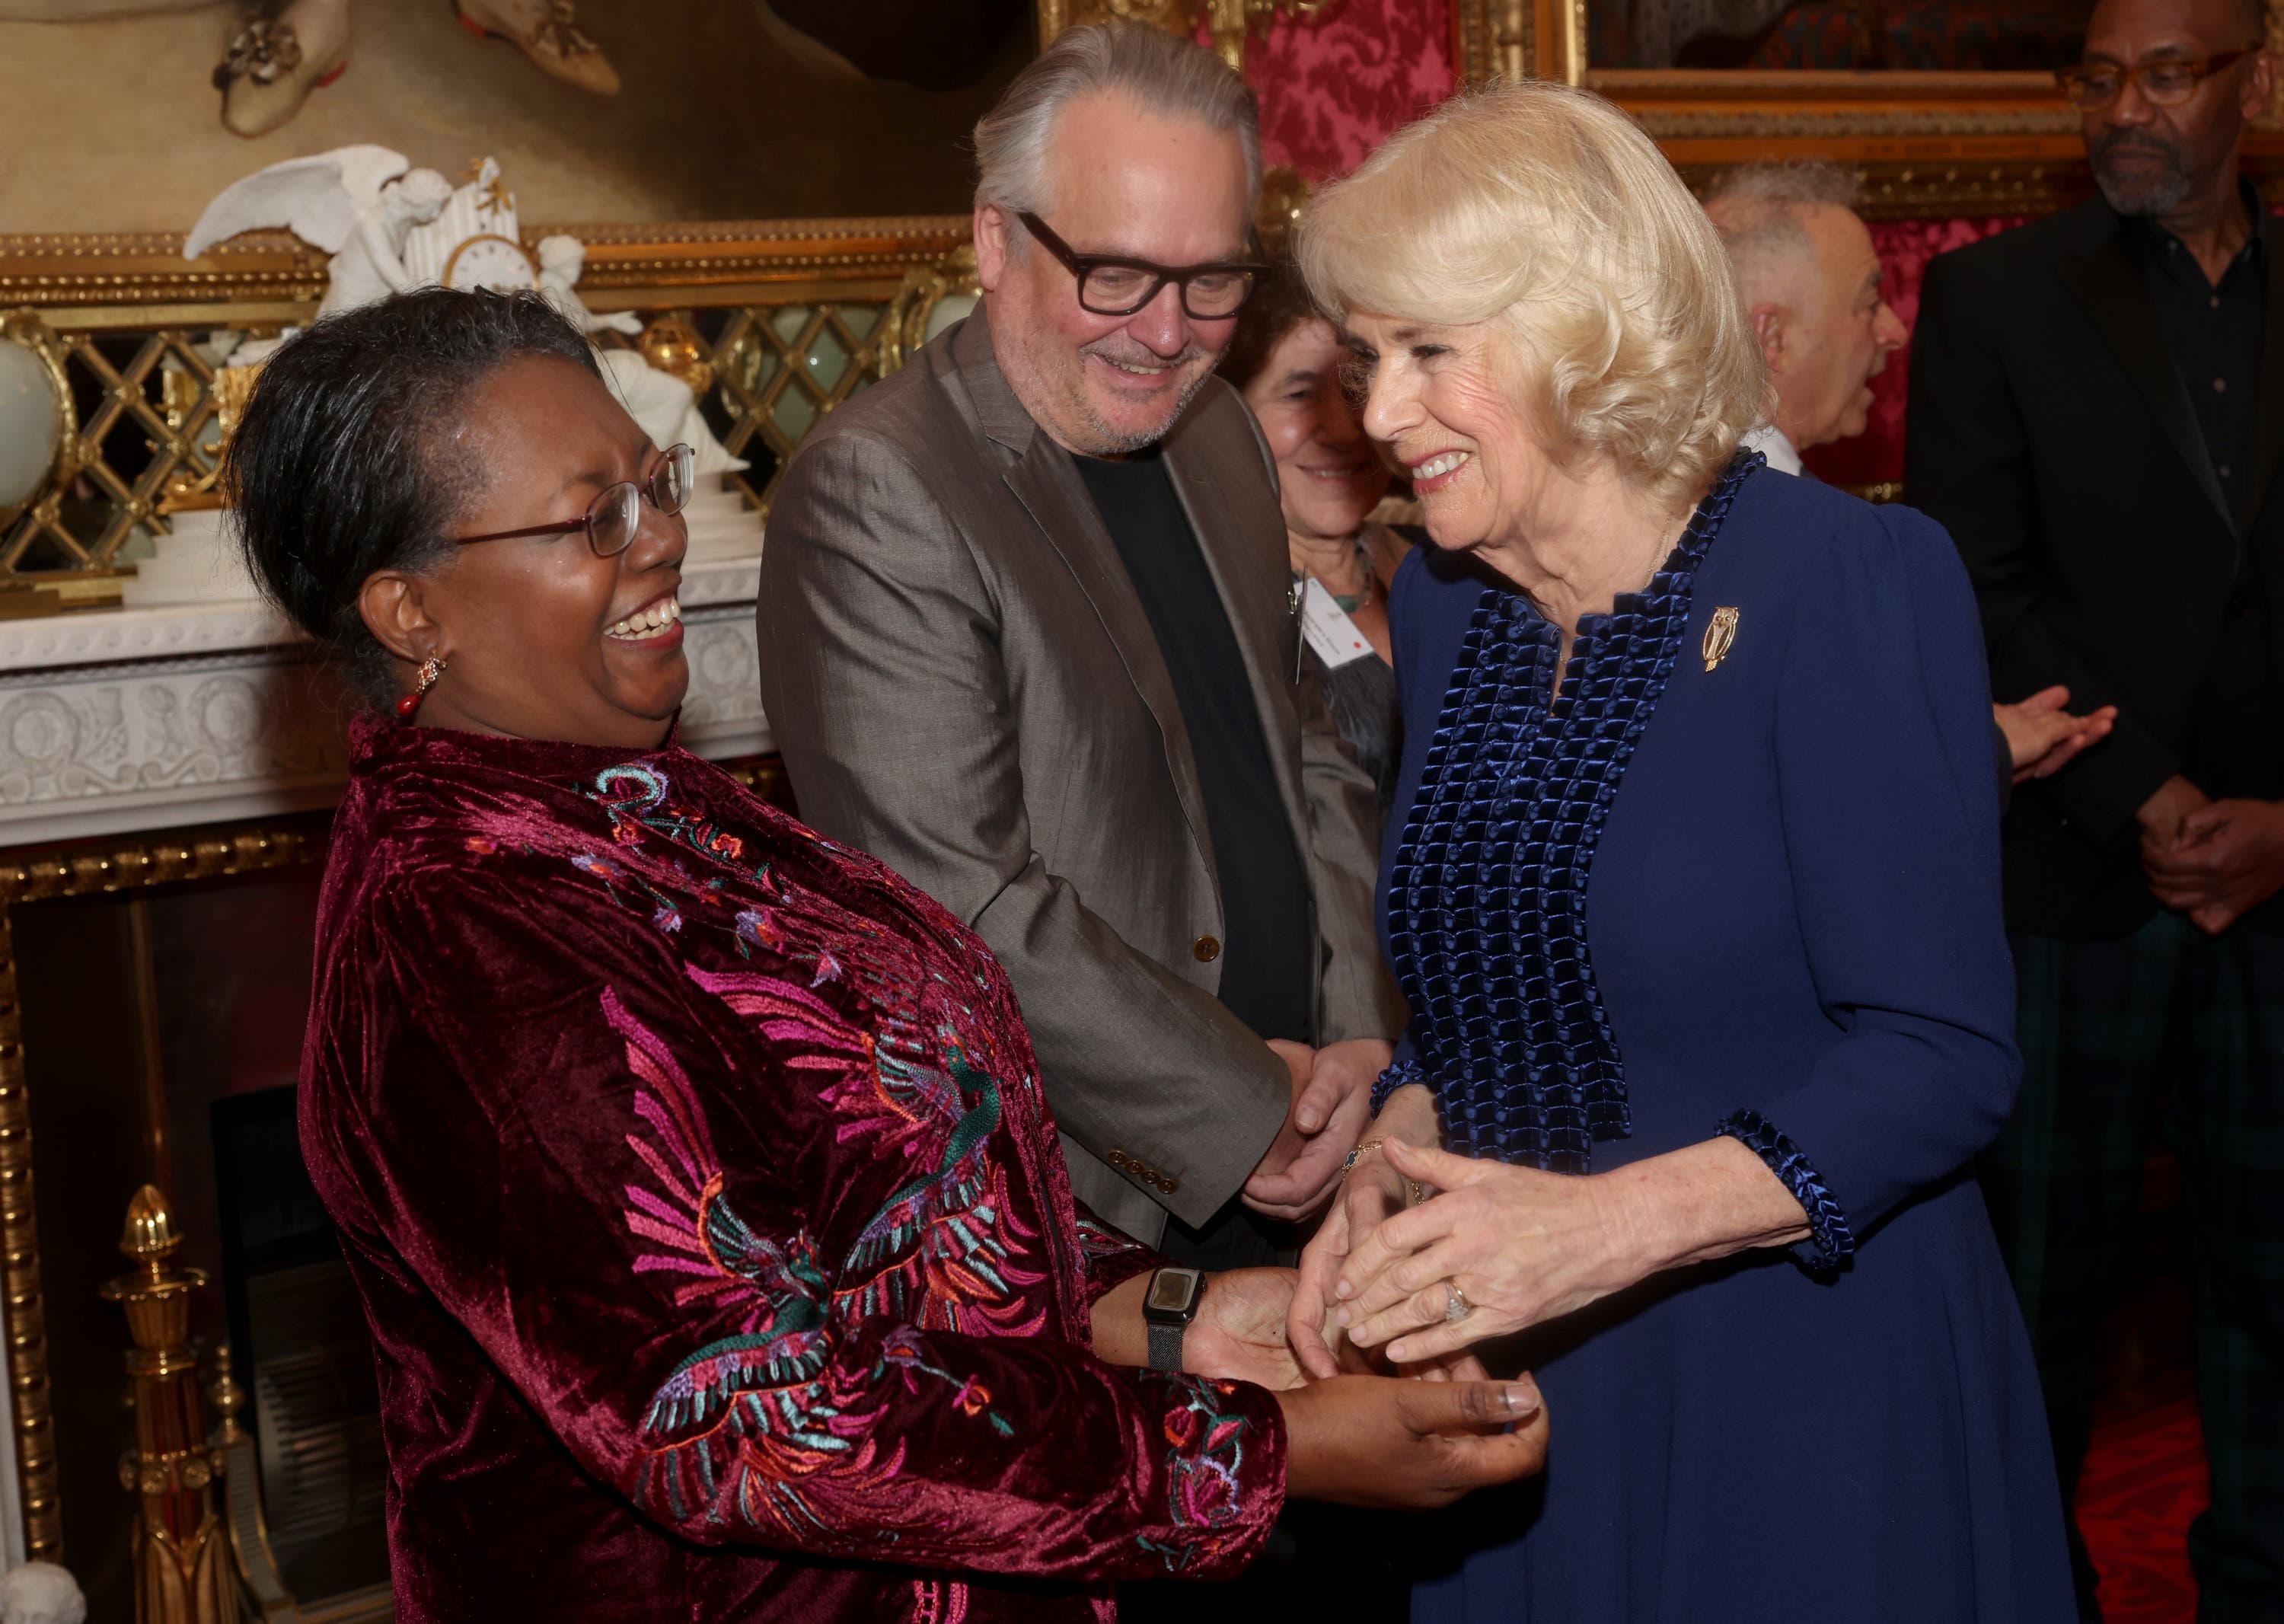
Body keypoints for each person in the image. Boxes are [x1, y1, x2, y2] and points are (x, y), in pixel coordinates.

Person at [223, 286, 1545, 1620]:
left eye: (655, 483)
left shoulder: (651, 804)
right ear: (408, 610)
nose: (665, 541)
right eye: (596, 518)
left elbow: (893, 1212)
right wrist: (1266, 1451)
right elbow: (747, 1410)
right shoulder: (457, 940)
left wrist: (1182, 1317)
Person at [1284, 81, 2074, 1620]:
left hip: (1802, 1387)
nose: (1379, 415)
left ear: (1584, 326)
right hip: (1522, 1387)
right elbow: (1477, 991)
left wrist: (1596, 1231)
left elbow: (1944, 1052)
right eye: (1371, 358)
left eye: (1429, 352)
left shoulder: (1848, 579)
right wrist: (1389, 1157)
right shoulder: (1450, 601)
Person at [757, 23, 1406, 1268]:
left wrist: (1359, 1026)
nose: (1166, 333)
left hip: (1312, 1124)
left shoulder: (1217, 430)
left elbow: (1306, 742)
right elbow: (958, 902)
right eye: (1114, 274)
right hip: (1092, 1211)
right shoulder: (879, 488)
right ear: (996, 239)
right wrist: (1235, 1105)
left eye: (1213, 280)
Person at [1906, 0, 2284, 1610]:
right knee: (2035, 1302)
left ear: (2256, 83)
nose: (2125, 107)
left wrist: (2282, 820)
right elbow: (1967, 584)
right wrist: (2150, 794)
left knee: (2273, 1300)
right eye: (2101, 76)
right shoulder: (1995, 296)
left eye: (2170, 73)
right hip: (2064, 890)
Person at [1703, 158, 2120, 794]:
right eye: (1870, 300)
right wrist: (1989, 752)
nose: (1895, 332)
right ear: (1772, 338)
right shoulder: (1840, 546)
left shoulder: (1648, 502)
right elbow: (1849, 797)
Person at [1219, 260, 1412, 813]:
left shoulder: (1447, 567)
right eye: (1300, 394)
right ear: (1229, 415)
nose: (1348, 429)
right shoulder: (1221, 612)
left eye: (1357, 389)